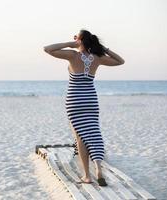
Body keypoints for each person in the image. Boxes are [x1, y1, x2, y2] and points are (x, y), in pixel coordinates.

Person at [43, 29, 125, 186]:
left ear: (79, 40)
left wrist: (70, 44)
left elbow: (47, 49)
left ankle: (87, 175)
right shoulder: (97, 58)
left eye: (76, 37)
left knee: (80, 136)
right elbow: (121, 61)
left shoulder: (72, 55)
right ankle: (98, 168)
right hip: (91, 100)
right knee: (94, 133)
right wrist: (102, 48)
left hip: (75, 101)